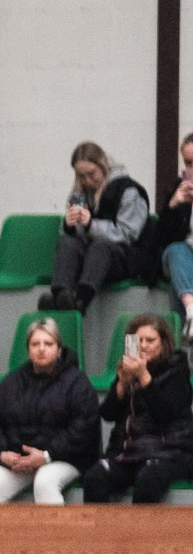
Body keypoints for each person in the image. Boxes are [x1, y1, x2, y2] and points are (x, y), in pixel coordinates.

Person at [0, 318, 98, 505]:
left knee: (45, 481)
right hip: (19, 462)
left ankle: (55, 535)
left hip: (64, 459)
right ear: (28, 350)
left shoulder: (77, 383)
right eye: (35, 344)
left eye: (48, 343)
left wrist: (46, 456)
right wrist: (1, 453)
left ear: (59, 350)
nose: (41, 348)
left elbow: (82, 429)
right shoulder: (11, 382)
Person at [82, 313, 191, 503]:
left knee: (148, 480)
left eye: (150, 340)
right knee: (95, 477)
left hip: (169, 452)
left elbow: (164, 414)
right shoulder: (129, 371)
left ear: (163, 344)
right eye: (138, 340)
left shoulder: (177, 373)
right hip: (128, 452)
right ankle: (99, 533)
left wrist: (144, 377)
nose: (143, 345)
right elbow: (107, 414)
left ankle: (142, 534)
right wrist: (122, 384)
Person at [43, 142, 149, 313]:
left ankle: (81, 302)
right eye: (81, 176)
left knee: (100, 246)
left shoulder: (128, 191)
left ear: (103, 166)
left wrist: (91, 225)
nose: (87, 181)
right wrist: (69, 225)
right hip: (89, 259)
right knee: (69, 241)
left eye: (91, 174)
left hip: (122, 258)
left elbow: (128, 234)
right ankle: (61, 296)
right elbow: (73, 234)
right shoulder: (80, 192)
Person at [159, 133, 193, 338]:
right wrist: (173, 205)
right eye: (188, 163)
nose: (191, 169)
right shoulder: (177, 189)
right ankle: (191, 310)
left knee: (178, 287)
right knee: (175, 251)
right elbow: (160, 240)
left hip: (183, 277)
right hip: (183, 257)